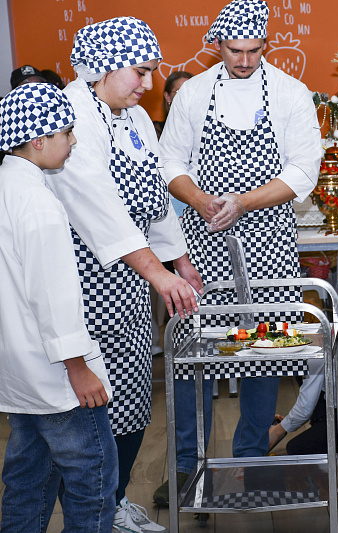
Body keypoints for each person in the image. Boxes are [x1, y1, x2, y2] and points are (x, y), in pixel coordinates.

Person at [156, 0, 322, 507]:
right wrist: (201, 200)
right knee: (194, 353)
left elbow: (303, 170)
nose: (245, 60)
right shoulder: (194, 94)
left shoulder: (290, 94)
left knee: (262, 351)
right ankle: (185, 465)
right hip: (203, 241)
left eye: (254, 50)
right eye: (235, 51)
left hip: (269, 239)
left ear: (266, 45)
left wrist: (244, 202)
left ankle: (252, 458)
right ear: (217, 45)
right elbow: (170, 162)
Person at [46, 16, 203, 533]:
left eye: (152, 71)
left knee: (132, 402)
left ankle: (112, 503)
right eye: (140, 71)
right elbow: (99, 211)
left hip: (132, 282)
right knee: (89, 410)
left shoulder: (133, 117)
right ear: (103, 67)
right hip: (86, 283)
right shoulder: (71, 115)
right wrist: (159, 274)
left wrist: (179, 261)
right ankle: (94, 512)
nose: (149, 83)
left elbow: (155, 200)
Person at [0, 83, 117, 533]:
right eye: (66, 132)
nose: (73, 140)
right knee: (92, 481)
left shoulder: (8, 186)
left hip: (18, 369)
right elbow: (51, 296)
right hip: (56, 374)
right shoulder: (36, 202)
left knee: (27, 481)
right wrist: (78, 367)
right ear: (38, 140)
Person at [269, 353, 338, 456]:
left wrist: (277, 431)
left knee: (296, 448)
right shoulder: (324, 343)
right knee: (302, 373)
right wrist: (288, 422)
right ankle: (323, 429)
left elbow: (305, 408)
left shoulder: (315, 358)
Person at [153, 70, 193, 138]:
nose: (186, 96)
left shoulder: (206, 129)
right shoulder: (156, 131)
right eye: (179, 91)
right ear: (168, 97)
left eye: (190, 91)